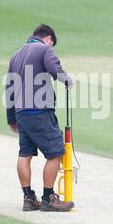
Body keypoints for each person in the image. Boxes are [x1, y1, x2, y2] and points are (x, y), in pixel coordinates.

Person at [5, 24, 75, 212]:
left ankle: (28, 198)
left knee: (25, 154)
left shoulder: (16, 55)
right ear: (49, 39)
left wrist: (11, 118)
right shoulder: (44, 49)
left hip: (21, 113)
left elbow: (9, 88)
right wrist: (67, 80)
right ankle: (48, 198)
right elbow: (55, 68)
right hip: (40, 111)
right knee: (55, 152)